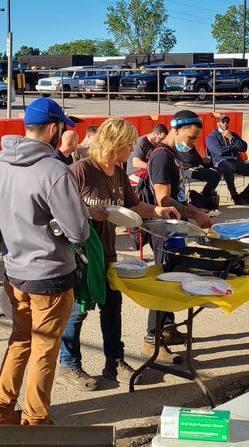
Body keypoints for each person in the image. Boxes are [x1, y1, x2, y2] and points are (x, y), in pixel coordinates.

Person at [0, 97, 92, 426]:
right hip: (50, 274)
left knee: (20, 342)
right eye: (62, 127)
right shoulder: (54, 171)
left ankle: (3, 411)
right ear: (52, 129)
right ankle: (35, 421)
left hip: (14, 270)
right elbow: (78, 231)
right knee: (44, 349)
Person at [58, 118, 180, 391]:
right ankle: (69, 364)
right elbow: (60, 211)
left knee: (112, 308)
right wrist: (88, 212)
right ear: (115, 145)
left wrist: (158, 211)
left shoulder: (117, 172)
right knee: (77, 311)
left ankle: (114, 361)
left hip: (108, 253)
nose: (132, 151)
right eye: (128, 146)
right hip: (81, 255)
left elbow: (133, 206)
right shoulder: (79, 171)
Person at [142, 110, 215, 358]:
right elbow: (163, 200)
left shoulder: (172, 155)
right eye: (191, 137)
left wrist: (193, 210)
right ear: (176, 129)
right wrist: (193, 214)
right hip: (164, 230)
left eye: (195, 139)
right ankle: (152, 339)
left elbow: (178, 196)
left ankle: (168, 328)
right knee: (163, 283)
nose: (192, 143)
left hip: (175, 228)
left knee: (173, 278)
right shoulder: (162, 157)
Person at [205, 114, 249, 205]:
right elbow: (220, 152)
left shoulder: (233, 135)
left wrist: (232, 138)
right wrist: (234, 147)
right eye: (223, 122)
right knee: (227, 166)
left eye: (227, 122)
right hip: (221, 162)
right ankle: (234, 195)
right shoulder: (212, 137)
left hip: (237, 161)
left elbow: (243, 148)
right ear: (218, 123)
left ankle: (246, 193)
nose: (225, 124)